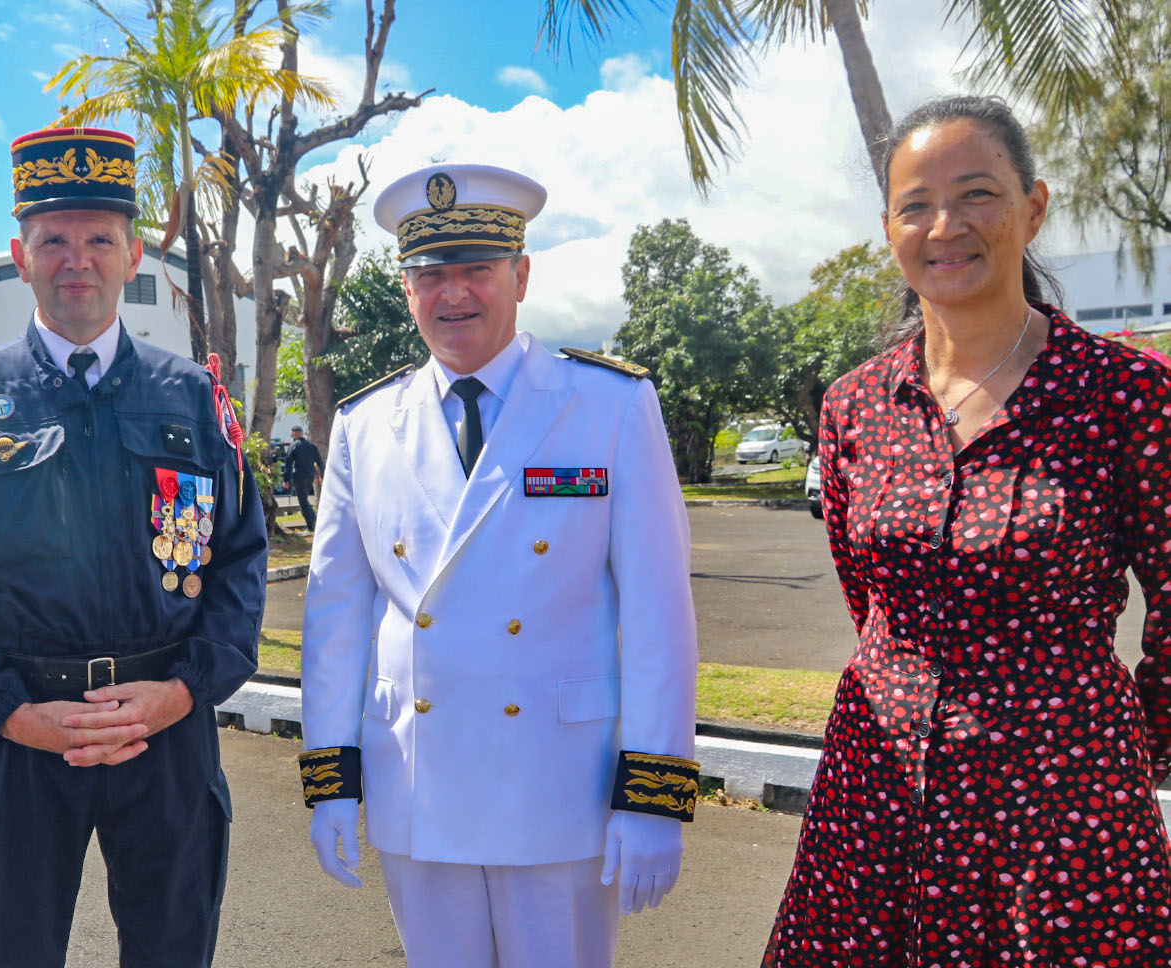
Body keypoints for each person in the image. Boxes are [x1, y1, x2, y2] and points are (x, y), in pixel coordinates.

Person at [764, 95, 1171, 966]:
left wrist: (1124, 746)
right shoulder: (855, 405)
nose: (944, 225)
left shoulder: (1124, 396)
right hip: (878, 796)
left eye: (976, 193)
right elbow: (867, 594)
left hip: (1062, 813)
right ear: (889, 228)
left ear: (1033, 207)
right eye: (916, 204)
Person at [298, 163, 700, 968]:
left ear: (520, 274)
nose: (454, 295)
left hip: (559, 786)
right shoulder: (364, 424)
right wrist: (331, 778)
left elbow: (659, 611)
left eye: (477, 269)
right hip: (420, 781)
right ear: (407, 287)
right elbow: (336, 617)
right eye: (430, 274)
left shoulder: (610, 404)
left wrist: (656, 791)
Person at [0, 125, 268, 968]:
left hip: (164, 729)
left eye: (100, 238)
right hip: (19, 735)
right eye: (52, 240)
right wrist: (12, 714)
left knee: (174, 950)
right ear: (19, 256)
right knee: (14, 951)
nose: (78, 260)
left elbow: (240, 560)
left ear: (133, 256)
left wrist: (183, 692)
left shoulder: (195, 398)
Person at [283, 425, 324, 531]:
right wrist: (322, 476)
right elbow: (320, 462)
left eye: (292, 433)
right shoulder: (311, 445)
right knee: (304, 501)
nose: (292, 436)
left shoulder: (294, 446)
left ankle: (312, 526)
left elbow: (288, 463)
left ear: (296, 434)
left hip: (299, 476)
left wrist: (286, 480)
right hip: (310, 476)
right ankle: (315, 522)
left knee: (303, 502)